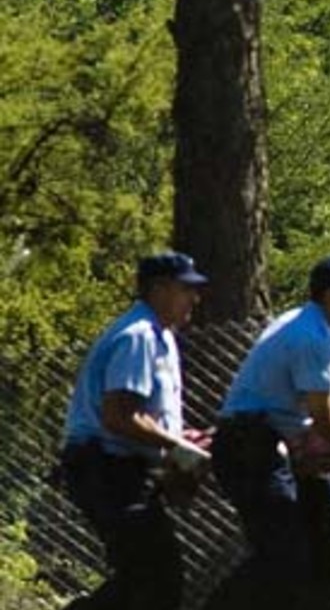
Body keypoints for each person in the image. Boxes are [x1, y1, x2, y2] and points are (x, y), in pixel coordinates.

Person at [203, 256, 330, 610]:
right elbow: (322, 417)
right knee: (284, 556)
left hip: (296, 450)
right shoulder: (308, 336)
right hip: (253, 445)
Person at [58, 251, 211, 610]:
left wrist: (178, 442)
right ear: (159, 289)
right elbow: (119, 416)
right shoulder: (138, 336)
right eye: (186, 289)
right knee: (156, 578)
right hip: (106, 466)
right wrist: (177, 447)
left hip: (121, 468)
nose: (195, 298)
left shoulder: (161, 336)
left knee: (146, 578)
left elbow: (144, 416)